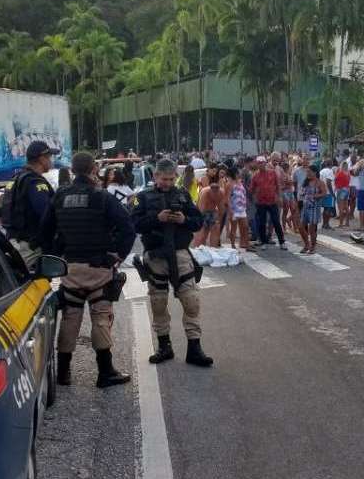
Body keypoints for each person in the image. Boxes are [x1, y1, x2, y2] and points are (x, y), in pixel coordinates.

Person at [40, 152, 134, 388]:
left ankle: (63, 372)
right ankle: (105, 372)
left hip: (70, 269)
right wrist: (118, 256)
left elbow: (45, 230)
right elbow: (127, 228)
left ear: (72, 170)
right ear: (94, 169)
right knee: (101, 317)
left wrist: (57, 254)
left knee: (70, 318)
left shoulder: (60, 197)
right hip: (98, 269)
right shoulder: (101, 197)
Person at [131, 159, 213, 368]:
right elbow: (134, 225)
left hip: (180, 253)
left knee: (191, 300)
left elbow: (198, 222)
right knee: (158, 302)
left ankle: (194, 348)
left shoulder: (183, 195)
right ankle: (164, 346)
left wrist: (183, 220)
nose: (167, 182)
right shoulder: (142, 197)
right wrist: (157, 219)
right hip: (156, 256)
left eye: (171, 179)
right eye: (164, 179)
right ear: (155, 177)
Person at [1, 141, 57, 267]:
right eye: (49, 157)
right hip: (30, 248)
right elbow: (47, 214)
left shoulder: (17, 178)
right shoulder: (34, 182)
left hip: (14, 241)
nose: (51, 160)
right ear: (42, 159)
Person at [250, 158, 285, 250]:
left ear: (265, 163)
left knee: (276, 221)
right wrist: (255, 199)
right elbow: (252, 189)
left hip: (272, 201)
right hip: (261, 202)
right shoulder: (255, 176)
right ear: (257, 164)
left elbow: (278, 186)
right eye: (259, 163)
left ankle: (282, 242)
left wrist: (280, 197)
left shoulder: (273, 173)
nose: (261, 165)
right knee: (262, 223)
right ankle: (263, 242)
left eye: (262, 163)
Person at [298, 168, 327, 254]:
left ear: (315, 172)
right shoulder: (305, 182)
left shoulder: (320, 182)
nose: (308, 174)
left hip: (314, 208)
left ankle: (312, 246)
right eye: (307, 172)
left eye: (310, 172)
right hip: (305, 206)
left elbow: (324, 193)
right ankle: (307, 244)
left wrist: (315, 196)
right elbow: (301, 193)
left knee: (311, 229)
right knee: (300, 227)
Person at [226, 167, 253, 251]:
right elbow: (227, 198)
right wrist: (230, 210)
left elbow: (243, 194)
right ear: (234, 174)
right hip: (234, 210)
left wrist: (246, 202)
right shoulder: (230, 184)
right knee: (234, 228)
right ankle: (233, 246)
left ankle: (247, 245)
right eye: (237, 173)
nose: (239, 174)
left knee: (245, 227)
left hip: (242, 209)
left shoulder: (240, 182)